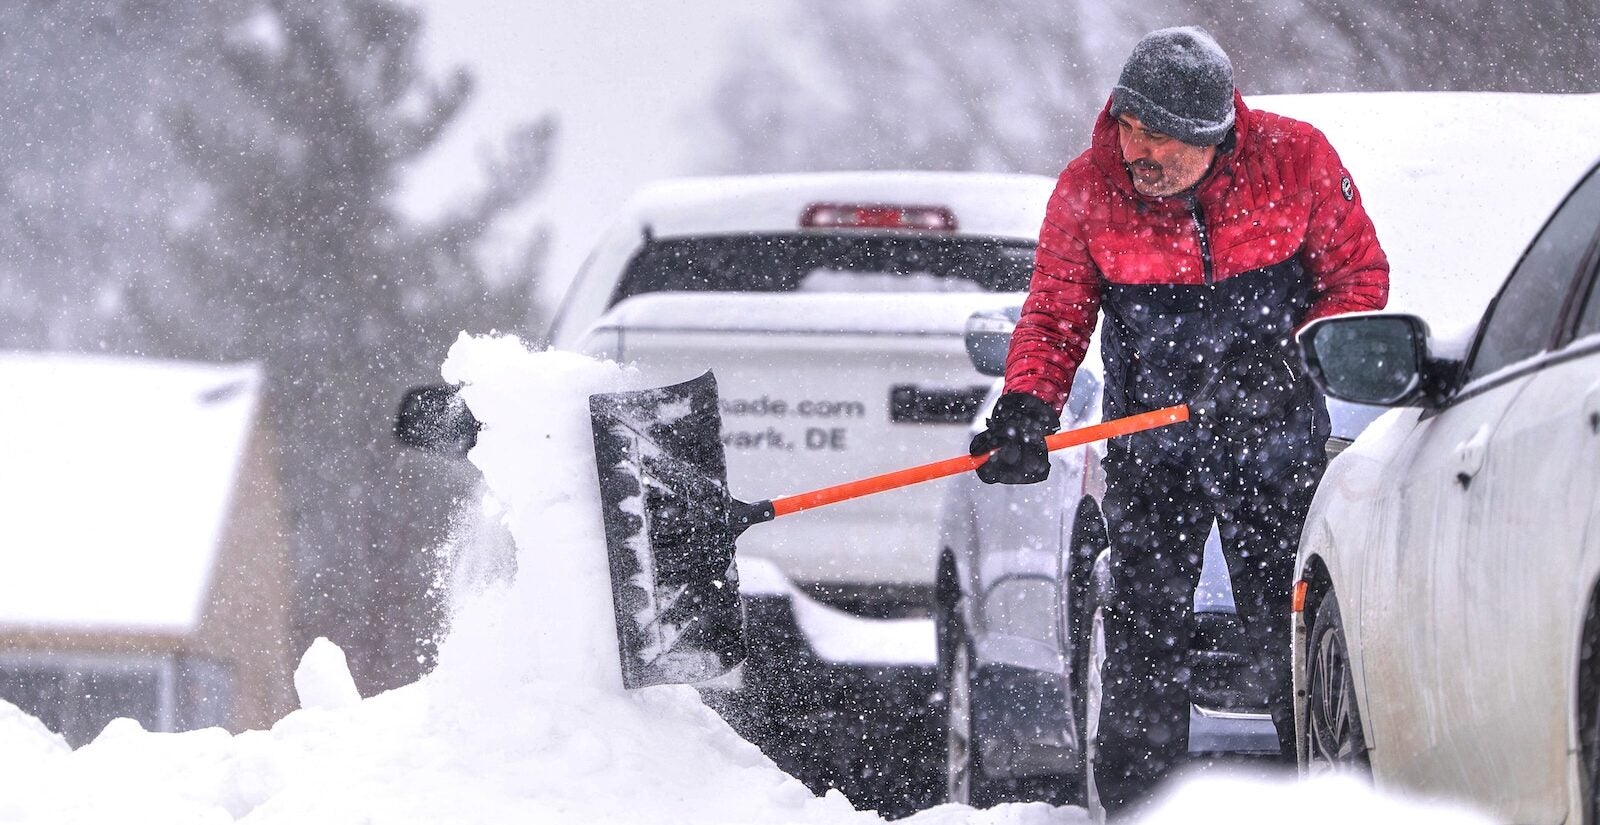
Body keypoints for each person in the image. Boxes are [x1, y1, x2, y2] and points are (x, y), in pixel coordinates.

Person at [968, 26, 1389, 815]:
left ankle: (1319, 804)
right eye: (1128, 125)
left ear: (1213, 136)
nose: (1136, 149)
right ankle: (1136, 808)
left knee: (1285, 637)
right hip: (1150, 444)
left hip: (1275, 440)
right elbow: (1056, 315)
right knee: (1142, 640)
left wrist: (1295, 360)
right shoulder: (1088, 191)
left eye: (1156, 135)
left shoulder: (1295, 161)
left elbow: (1358, 278)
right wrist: (1027, 407)